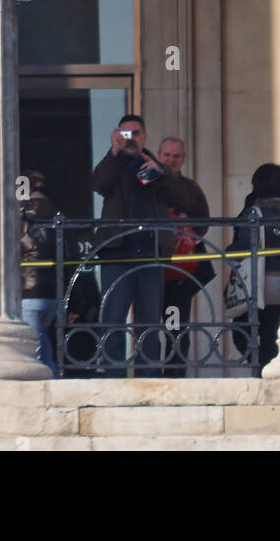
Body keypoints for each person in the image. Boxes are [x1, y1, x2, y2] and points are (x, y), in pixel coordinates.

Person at [91, 114, 181, 376]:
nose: (131, 139)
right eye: (125, 133)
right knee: (113, 321)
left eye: (136, 134)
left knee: (150, 323)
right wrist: (113, 152)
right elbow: (97, 184)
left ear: (144, 137)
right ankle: (112, 377)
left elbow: (177, 194)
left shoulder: (152, 164)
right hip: (116, 252)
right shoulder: (113, 164)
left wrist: (159, 170)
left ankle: (149, 377)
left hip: (150, 253)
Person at [157, 136, 214, 377]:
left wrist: (186, 222)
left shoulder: (191, 188)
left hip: (181, 275)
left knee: (176, 329)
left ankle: (174, 379)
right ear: (159, 156)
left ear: (183, 159)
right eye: (167, 155)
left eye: (176, 156)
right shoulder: (148, 183)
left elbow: (204, 223)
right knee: (146, 330)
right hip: (151, 270)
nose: (171, 160)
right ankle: (147, 378)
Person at [226, 163, 280, 369]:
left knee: (241, 332)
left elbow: (242, 248)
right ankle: (270, 365)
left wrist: (228, 251)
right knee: (270, 330)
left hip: (259, 283)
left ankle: (263, 368)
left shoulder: (255, 211)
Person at [18, 170, 58, 375]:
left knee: (35, 349)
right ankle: (53, 376)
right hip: (51, 289)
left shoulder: (23, 213)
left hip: (29, 288)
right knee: (42, 339)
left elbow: (22, 245)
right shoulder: (51, 208)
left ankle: (47, 383)